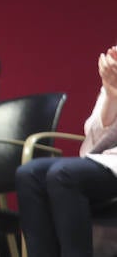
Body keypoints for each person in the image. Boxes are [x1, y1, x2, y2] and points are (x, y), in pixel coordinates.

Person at [16, 42, 117, 257]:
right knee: (30, 174)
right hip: (108, 161)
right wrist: (111, 95)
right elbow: (95, 137)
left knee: (64, 175)